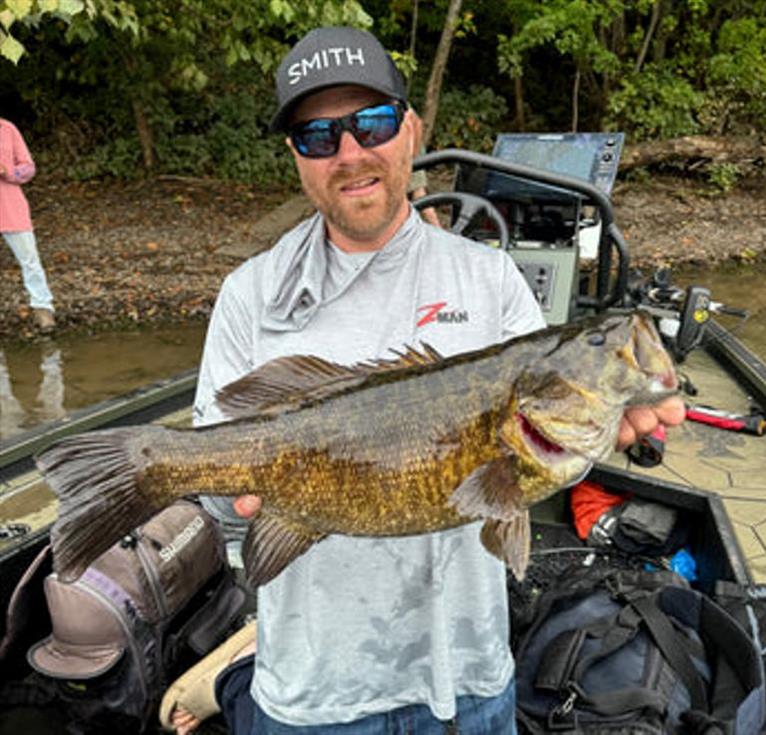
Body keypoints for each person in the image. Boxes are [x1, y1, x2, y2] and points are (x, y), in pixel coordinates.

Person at [162, 26, 685, 735]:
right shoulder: (251, 296)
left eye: (371, 122)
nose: (350, 153)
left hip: (467, 683)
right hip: (314, 697)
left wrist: (609, 424)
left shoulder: (491, 280)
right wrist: (240, 492)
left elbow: (521, 474)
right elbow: (228, 517)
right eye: (319, 136)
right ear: (296, 157)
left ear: (410, 129)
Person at [0, 118, 56, 332]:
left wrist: (8, 172)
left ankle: (42, 307)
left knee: (30, 260)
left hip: (10, 206)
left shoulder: (7, 128)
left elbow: (28, 167)